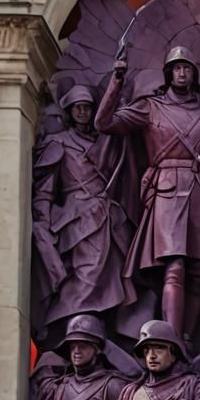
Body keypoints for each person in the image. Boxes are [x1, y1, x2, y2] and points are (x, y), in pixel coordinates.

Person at [96, 47, 200, 352]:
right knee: (175, 265)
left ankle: (186, 339)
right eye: (177, 68)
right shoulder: (150, 107)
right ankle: (170, 335)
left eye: (187, 68)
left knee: (198, 270)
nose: (182, 73)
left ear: (193, 74)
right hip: (167, 190)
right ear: (168, 73)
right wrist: (117, 81)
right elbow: (104, 124)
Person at [31, 84, 135, 337]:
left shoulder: (103, 142)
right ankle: (76, 333)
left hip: (107, 219)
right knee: (85, 277)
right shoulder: (59, 143)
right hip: (77, 221)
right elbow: (45, 189)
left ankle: (96, 333)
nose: (82, 112)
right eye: (77, 107)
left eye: (87, 107)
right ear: (69, 110)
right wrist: (43, 223)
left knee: (110, 280)